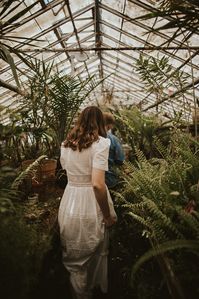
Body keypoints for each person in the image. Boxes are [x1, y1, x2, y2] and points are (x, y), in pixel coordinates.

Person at [58, 106, 117, 299]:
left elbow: (67, 171)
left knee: (75, 255)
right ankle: (93, 289)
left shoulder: (66, 144)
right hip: (91, 203)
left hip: (70, 202)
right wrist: (107, 215)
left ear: (80, 120)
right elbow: (98, 185)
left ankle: (81, 291)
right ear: (100, 122)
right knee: (96, 248)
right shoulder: (101, 144)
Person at [103, 112, 125, 189]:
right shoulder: (113, 139)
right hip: (109, 179)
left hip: (91, 179)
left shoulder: (90, 137)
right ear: (110, 125)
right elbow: (120, 159)